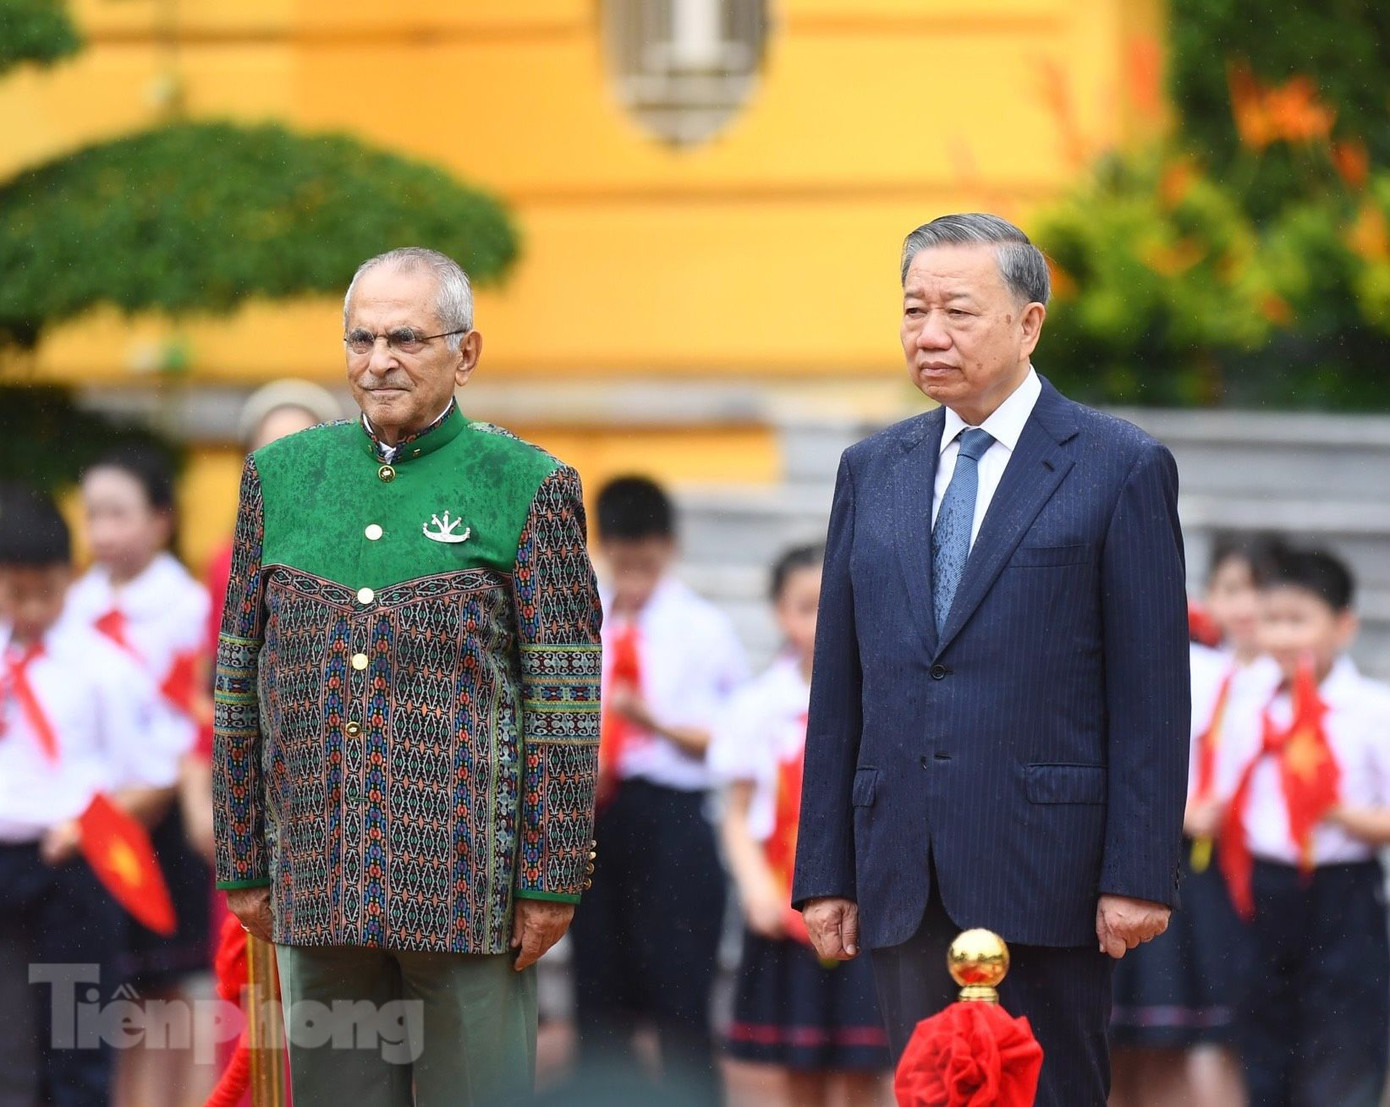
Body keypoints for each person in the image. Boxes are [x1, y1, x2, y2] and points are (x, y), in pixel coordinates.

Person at [791, 213, 1190, 1107]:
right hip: (902, 867)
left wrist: (1137, 872)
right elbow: (840, 681)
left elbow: (1153, 690)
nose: (929, 334)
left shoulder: (1117, 466)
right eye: (913, 310)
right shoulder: (873, 467)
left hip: (1047, 866)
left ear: (1029, 322)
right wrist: (826, 870)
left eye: (958, 312)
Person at [211, 246, 602, 1107]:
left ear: (466, 352)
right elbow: (238, 677)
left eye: (406, 338)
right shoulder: (280, 478)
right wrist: (243, 854)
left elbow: (566, 701)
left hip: (471, 883)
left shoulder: (527, 484)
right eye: (361, 338)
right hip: (317, 875)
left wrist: (552, 878)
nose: (378, 360)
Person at [568, 475, 747, 1102]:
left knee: (680, 985)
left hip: (671, 815)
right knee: (596, 984)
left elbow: (733, 739)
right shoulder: (578, 621)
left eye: (646, 561)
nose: (634, 573)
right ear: (603, 547)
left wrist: (651, 722)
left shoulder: (704, 628)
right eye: (622, 559)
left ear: (669, 548)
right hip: (594, 816)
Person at [0, 484, 180, 1107]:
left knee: (75, 1041)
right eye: (14, 593)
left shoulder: (102, 666)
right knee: (9, 1044)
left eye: (45, 593)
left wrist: (87, 825)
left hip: (73, 867)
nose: (29, 608)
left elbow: (155, 776)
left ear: (68, 578)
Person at [710, 543, 889, 1107]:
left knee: (866, 1068)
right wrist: (757, 887)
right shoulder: (758, 706)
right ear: (778, 613)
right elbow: (735, 814)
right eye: (807, 606)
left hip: (870, 910)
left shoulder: (885, 701)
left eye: (838, 605)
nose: (824, 621)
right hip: (786, 909)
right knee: (797, 1069)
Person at [1111, 534, 1285, 1107]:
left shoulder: (1295, 685)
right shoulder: (1192, 666)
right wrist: (1179, 809)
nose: (1247, 607)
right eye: (1232, 589)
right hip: (1185, 861)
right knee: (1149, 1028)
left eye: (1261, 592)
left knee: (1216, 1031)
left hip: (1260, 874)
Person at [66, 445, 212, 1107]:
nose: (103, 531)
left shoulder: (186, 606)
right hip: (94, 824)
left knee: (168, 989)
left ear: (161, 519)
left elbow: (192, 715)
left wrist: (148, 797)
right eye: (93, 514)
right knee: (106, 989)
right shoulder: (72, 604)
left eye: (119, 513)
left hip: (162, 821)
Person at [1219, 547, 1390, 1107]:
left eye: (1299, 621)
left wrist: (1332, 810)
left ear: (1343, 626)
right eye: (1272, 621)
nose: (1284, 637)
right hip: (1258, 891)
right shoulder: (1247, 699)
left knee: (1341, 1041)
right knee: (1262, 1040)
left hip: (1342, 894)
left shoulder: (1370, 709)